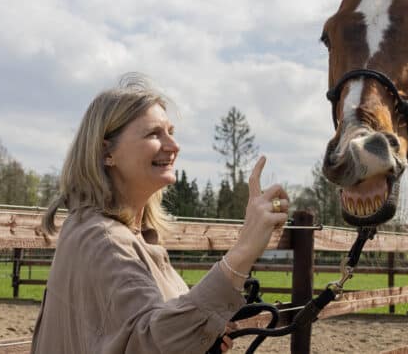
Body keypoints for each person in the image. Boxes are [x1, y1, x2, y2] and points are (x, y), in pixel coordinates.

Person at [31, 73, 290, 354]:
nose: (173, 146)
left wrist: (203, 335)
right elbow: (151, 342)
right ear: (107, 152)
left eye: (171, 132)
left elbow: (148, 331)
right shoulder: (104, 240)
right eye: (154, 133)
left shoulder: (124, 235)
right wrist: (243, 251)